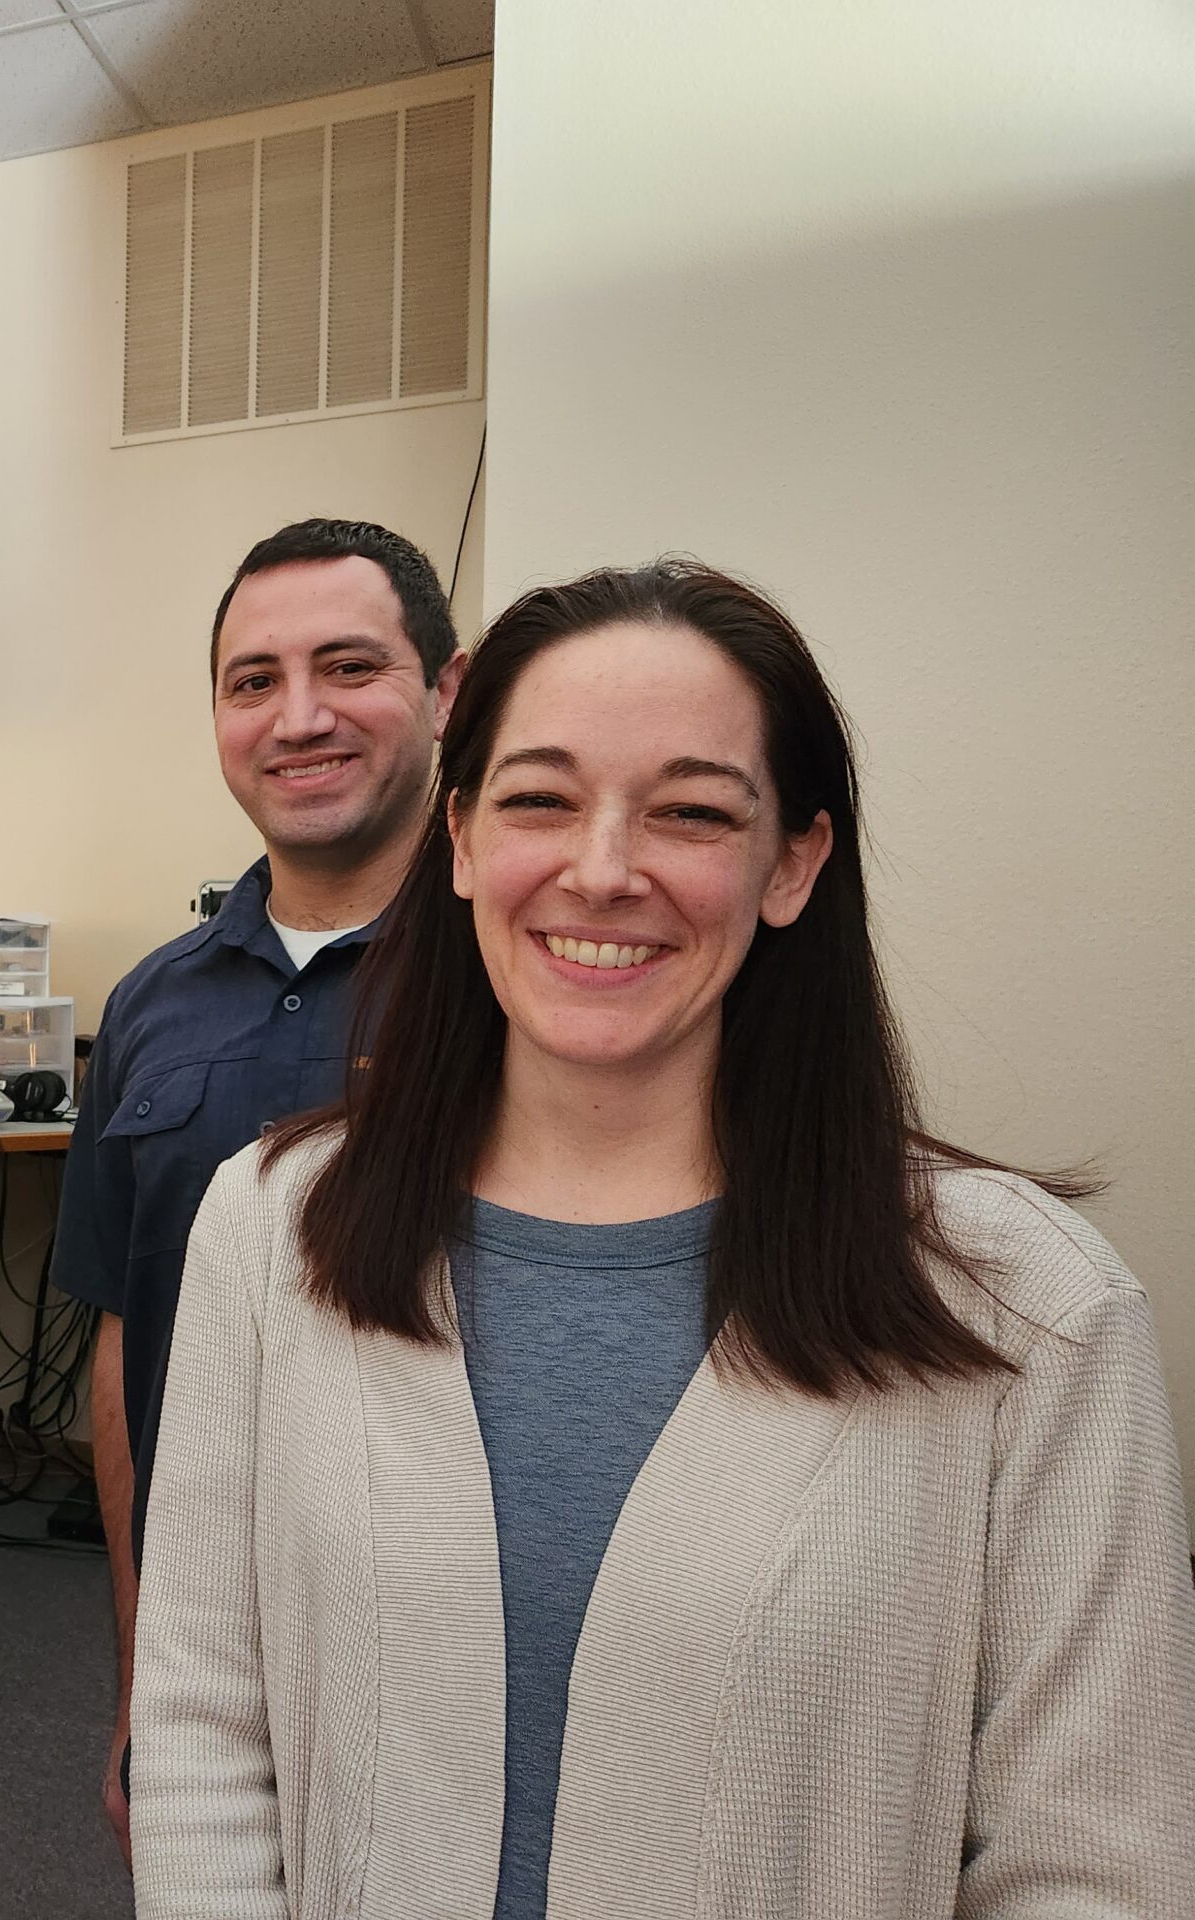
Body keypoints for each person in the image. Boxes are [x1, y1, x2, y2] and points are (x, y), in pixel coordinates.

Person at [131, 560, 1195, 1916]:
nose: (602, 871)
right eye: (540, 800)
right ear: (461, 840)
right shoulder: (273, 1230)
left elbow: (1095, 1867)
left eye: (692, 812)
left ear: (792, 862)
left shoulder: (1032, 1308)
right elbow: (207, 1731)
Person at [49, 518, 466, 1857]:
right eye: (253, 682)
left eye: (349, 667)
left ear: (447, 692)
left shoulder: (520, 985)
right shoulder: (150, 1009)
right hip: (210, 1645)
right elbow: (128, 1348)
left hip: (455, 1654)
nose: (298, 718)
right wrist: (140, 1678)